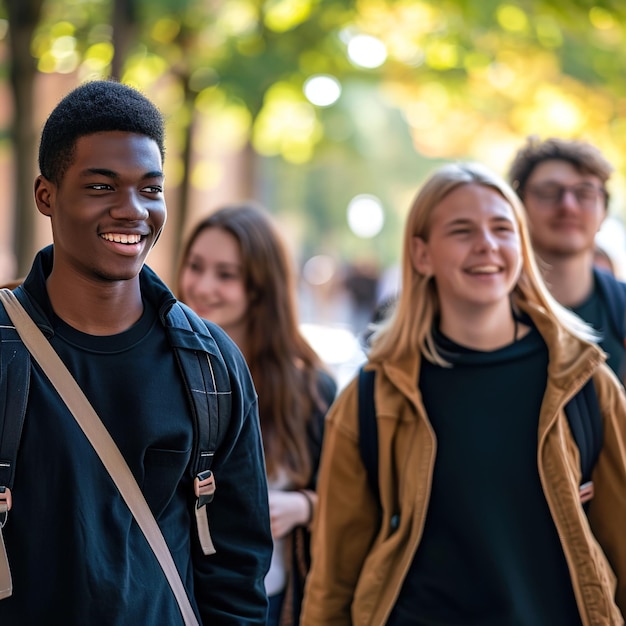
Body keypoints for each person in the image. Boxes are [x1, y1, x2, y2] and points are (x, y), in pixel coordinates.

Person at [300, 161, 626, 625]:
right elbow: (333, 580)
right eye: (461, 230)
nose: (487, 245)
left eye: (502, 228)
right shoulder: (374, 398)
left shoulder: (585, 382)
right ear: (422, 254)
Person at [0, 80, 272, 624]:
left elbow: (237, 574)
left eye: (150, 189)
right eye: (102, 187)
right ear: (45, 196)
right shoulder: (6, 350)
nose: (133, 210)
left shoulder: (212, 364)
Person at [177, 203, 337, 625]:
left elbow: (358, 500)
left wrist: (303, 505)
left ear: (261, 288)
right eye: (195, 266)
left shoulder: (311, 390)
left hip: (269, 603)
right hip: (173, 598)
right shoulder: (158, 370)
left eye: (226, 275)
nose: (203, 286)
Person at [507, 136, 626, 378]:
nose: (568, 206)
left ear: (603, 211)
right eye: (549, 192)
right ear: (518, 208)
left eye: (585, 192)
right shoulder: (486, 311)